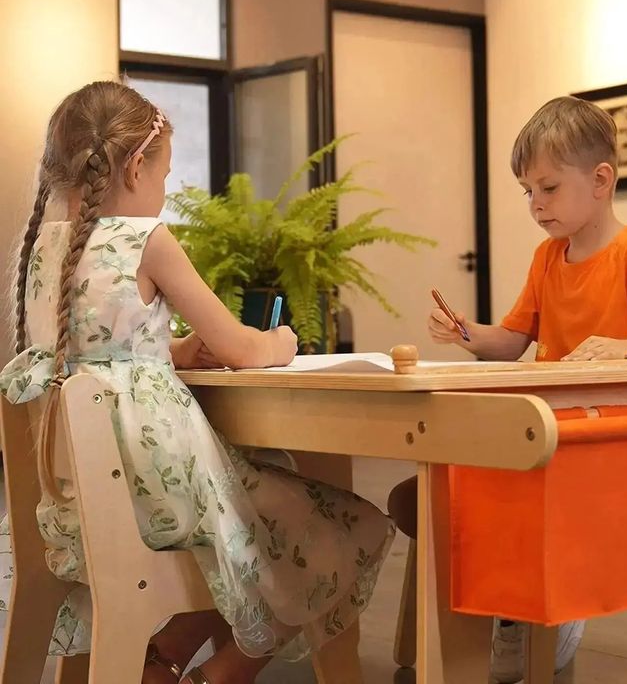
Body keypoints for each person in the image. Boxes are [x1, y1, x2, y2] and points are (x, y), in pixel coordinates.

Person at [0, 80, 395, 684]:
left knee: (259, 497)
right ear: (135, 166)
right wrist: (282, 341)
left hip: (82, 506)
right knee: (345, 527)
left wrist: (176, 349)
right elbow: (244, 347)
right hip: (160, 500)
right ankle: (227, 672)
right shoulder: (147, 240)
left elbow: (100, 349)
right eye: (163, 176)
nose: (163, 191)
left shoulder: (41, 248)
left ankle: (161, 663)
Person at [390, 96, 627, 683]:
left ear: (602, 181)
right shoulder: (546, 258)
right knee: (438, 489)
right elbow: (513, 342)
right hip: (546, 430)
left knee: (501, 490)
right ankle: (504, 613)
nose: (535, 205)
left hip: (608, 446)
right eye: (527, 192)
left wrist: (624, 346)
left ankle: (534, 615)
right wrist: (466, 334)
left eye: (548, 188)